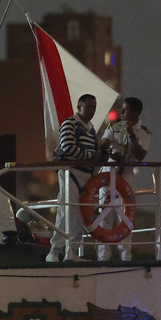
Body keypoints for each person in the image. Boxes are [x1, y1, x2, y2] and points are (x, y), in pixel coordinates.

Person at [47, 94, 105, 262]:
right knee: (67, 211)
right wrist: (90, 156)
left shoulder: (91, 128)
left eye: (94, 107)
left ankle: (70, 251)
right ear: (79, 107)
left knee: (79, 213)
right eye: (88, 107)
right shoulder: (70, 123)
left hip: (85, 174)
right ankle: (55, 251)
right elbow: (67, 147)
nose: (92, 110)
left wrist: (96, 160)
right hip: (70, 172)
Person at [96, 97, 151, 261]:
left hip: (126, 175)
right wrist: (106, 148)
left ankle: (126, 255)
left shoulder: (144, 132)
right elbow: (104, 143)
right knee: (104, 216)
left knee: (126, 217)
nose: (122, 112)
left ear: (135, 113)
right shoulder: (114, 126)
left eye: (125, 109)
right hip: (109, 173)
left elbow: (140, 155)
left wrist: (131, 135)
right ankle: (103, 256)